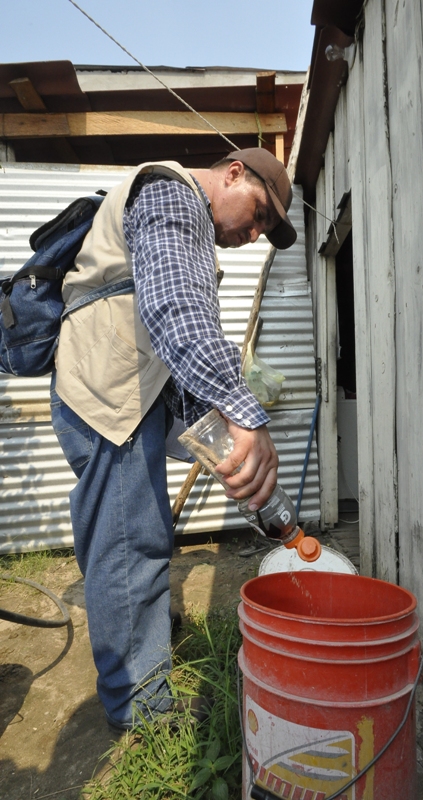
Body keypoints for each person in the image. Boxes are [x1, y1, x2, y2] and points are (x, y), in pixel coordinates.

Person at [50, 148, 297, 731]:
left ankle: (141, 655)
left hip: (123, 396)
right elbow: (177, 310)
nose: (255, 233)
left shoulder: (185, 221)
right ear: (234, 172)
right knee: (130, 544)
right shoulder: (171, 194)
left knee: (136, 534)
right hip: (109, 397)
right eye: (259, 213)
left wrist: (221, 446)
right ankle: (144, 714)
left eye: (265, 230)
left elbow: (173, 351)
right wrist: (244, 415)